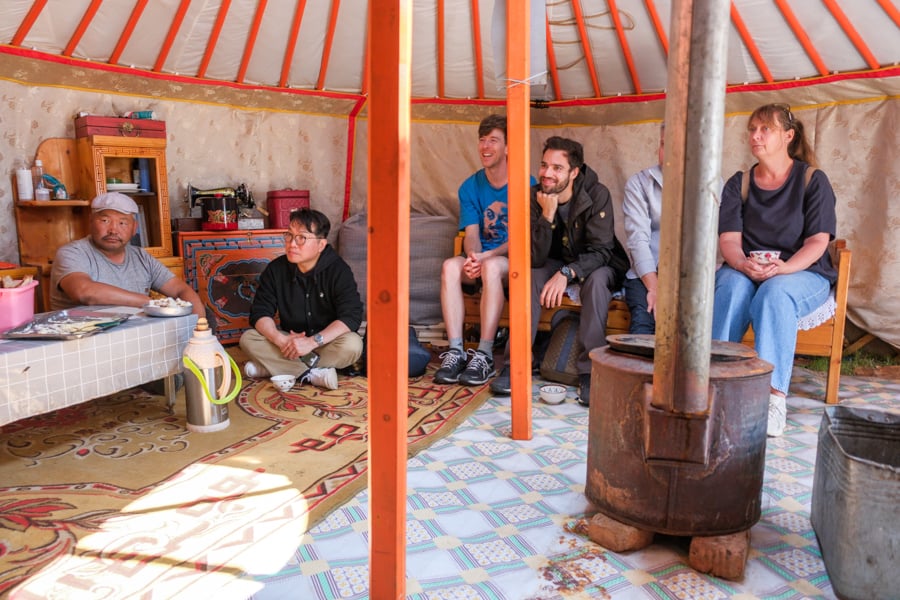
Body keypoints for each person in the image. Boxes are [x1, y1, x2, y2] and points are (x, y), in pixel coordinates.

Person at [713, 103, 837, 437]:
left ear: (788, 135)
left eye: (765, 129)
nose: (756, 136)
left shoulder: (812, 180)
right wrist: (742, 263)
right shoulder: (738, 183)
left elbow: (817, 242)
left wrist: (784, 269)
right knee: (730, 285)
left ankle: (773, 397)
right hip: (748, 269)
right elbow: (729, 240)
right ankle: (716, 383)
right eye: (752, 129)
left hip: (803, 272)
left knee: (775, 293)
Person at [490, 137, 629, 405]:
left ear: (574, 172)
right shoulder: (534, 196)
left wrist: (567, 273)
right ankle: (515, 364)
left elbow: (602, 251)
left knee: (597, 282)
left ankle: (590, 371)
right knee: (528, 276)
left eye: (557, 168)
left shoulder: (597, 194)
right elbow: (533, 258)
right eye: (544, 165)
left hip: (596, 264)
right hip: (554, 261)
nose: (547, 173)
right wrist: (547, 216)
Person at [435, 114, 525, 386]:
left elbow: (525, 238)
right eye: (482, 140)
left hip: (512, 261)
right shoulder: (470, 186)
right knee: (450, 266)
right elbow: (471, 233)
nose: (486, 147)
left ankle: (484, 354)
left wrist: (488, 257)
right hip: (482, 259)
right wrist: (473, 257)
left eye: (493, 140)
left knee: (492, 266)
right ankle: (456, 351)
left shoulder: (525, 184)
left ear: (508, 147)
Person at [239, 208, 363, 390]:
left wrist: (312, 342)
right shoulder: (276, 269)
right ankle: (311, 374)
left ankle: (273, 367)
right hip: (289, 343)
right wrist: (280, 340)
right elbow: (260, 312)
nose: (292, 244)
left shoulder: (338, 271)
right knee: (249, 338)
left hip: (325, 342)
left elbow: (351, 316)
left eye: (302, 238)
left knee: (352, 345)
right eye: (289, 235)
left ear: (321, 244)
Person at [51, 192, 205, 318]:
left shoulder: (141, 257)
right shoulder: (72, 253)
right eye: (105, 220)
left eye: (122, 223)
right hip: (83, 340)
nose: (113, 230)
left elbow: (180, 290)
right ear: (91, 222)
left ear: (134, 228)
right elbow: (84, 292)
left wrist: (200, 328)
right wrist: (148, 302)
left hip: (133, 335)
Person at [622, 124, 664, 334]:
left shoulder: (711, 184)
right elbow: (637, 239)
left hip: (692, 277)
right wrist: (654, 287)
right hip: (647, 273)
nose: (667, 152)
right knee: (643, 321)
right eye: (663, 144)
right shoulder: (639, 183)